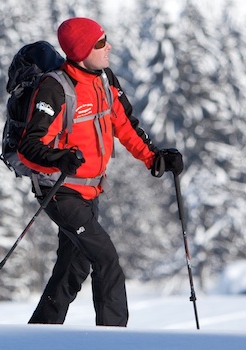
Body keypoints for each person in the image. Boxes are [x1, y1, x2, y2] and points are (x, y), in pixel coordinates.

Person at [17, 17, 184, 327]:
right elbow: (29, 146)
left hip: (89, 190)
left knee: (74, 265)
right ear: (81, 51)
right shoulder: (55, 88)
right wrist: (59, 159)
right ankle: (113, 338)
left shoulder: (105, 79)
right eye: (100, 43)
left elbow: (124, 124)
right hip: (59, 190)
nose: (109, 47)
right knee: (106, 260)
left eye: (106, 39)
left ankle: (40, 332)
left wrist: (155, 158)